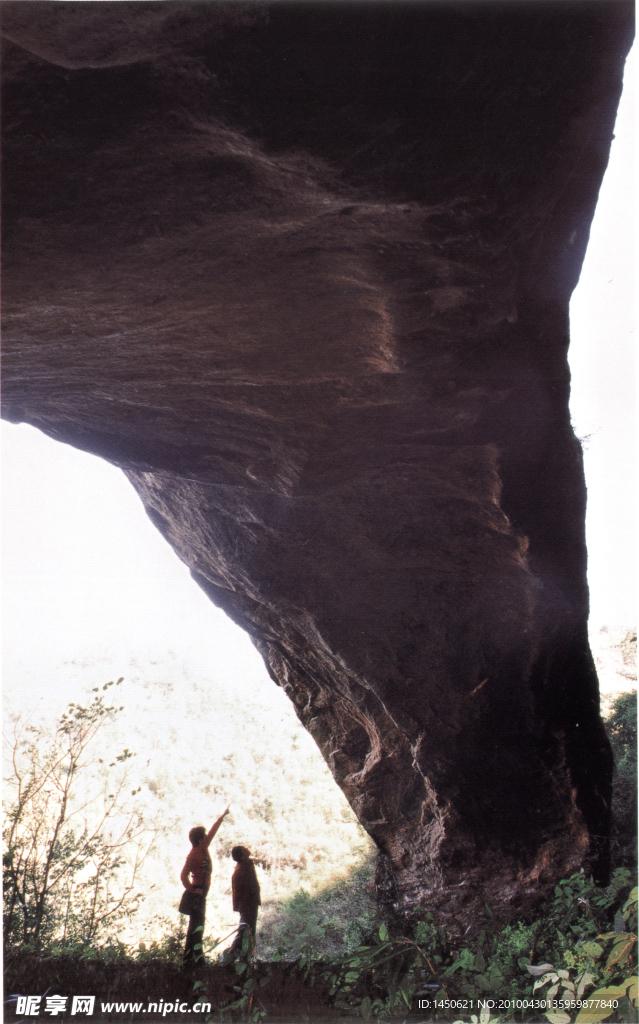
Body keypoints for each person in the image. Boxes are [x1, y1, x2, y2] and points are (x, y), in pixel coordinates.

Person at [179, 805, 230, 965]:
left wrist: (222, 817)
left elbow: (213, 832)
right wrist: (193, 889)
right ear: (200, 839)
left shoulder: (203, 847)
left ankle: (193, 956)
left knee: (197, 924)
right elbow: (183, 875)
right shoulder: (194, 855)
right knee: (197, 924)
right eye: (204, 835)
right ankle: (193, 958)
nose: (207, 836)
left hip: (202, 891)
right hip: (198, 892)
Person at [228, 846, 261, 958]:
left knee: (248, 933)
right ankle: (230, 957)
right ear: (242, 855)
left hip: (249, 904)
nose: (247, 849)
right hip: (247, 905)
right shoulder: (242, 869)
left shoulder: (245, 865)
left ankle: (245, 959)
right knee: (245, 933)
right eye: (244, 849)